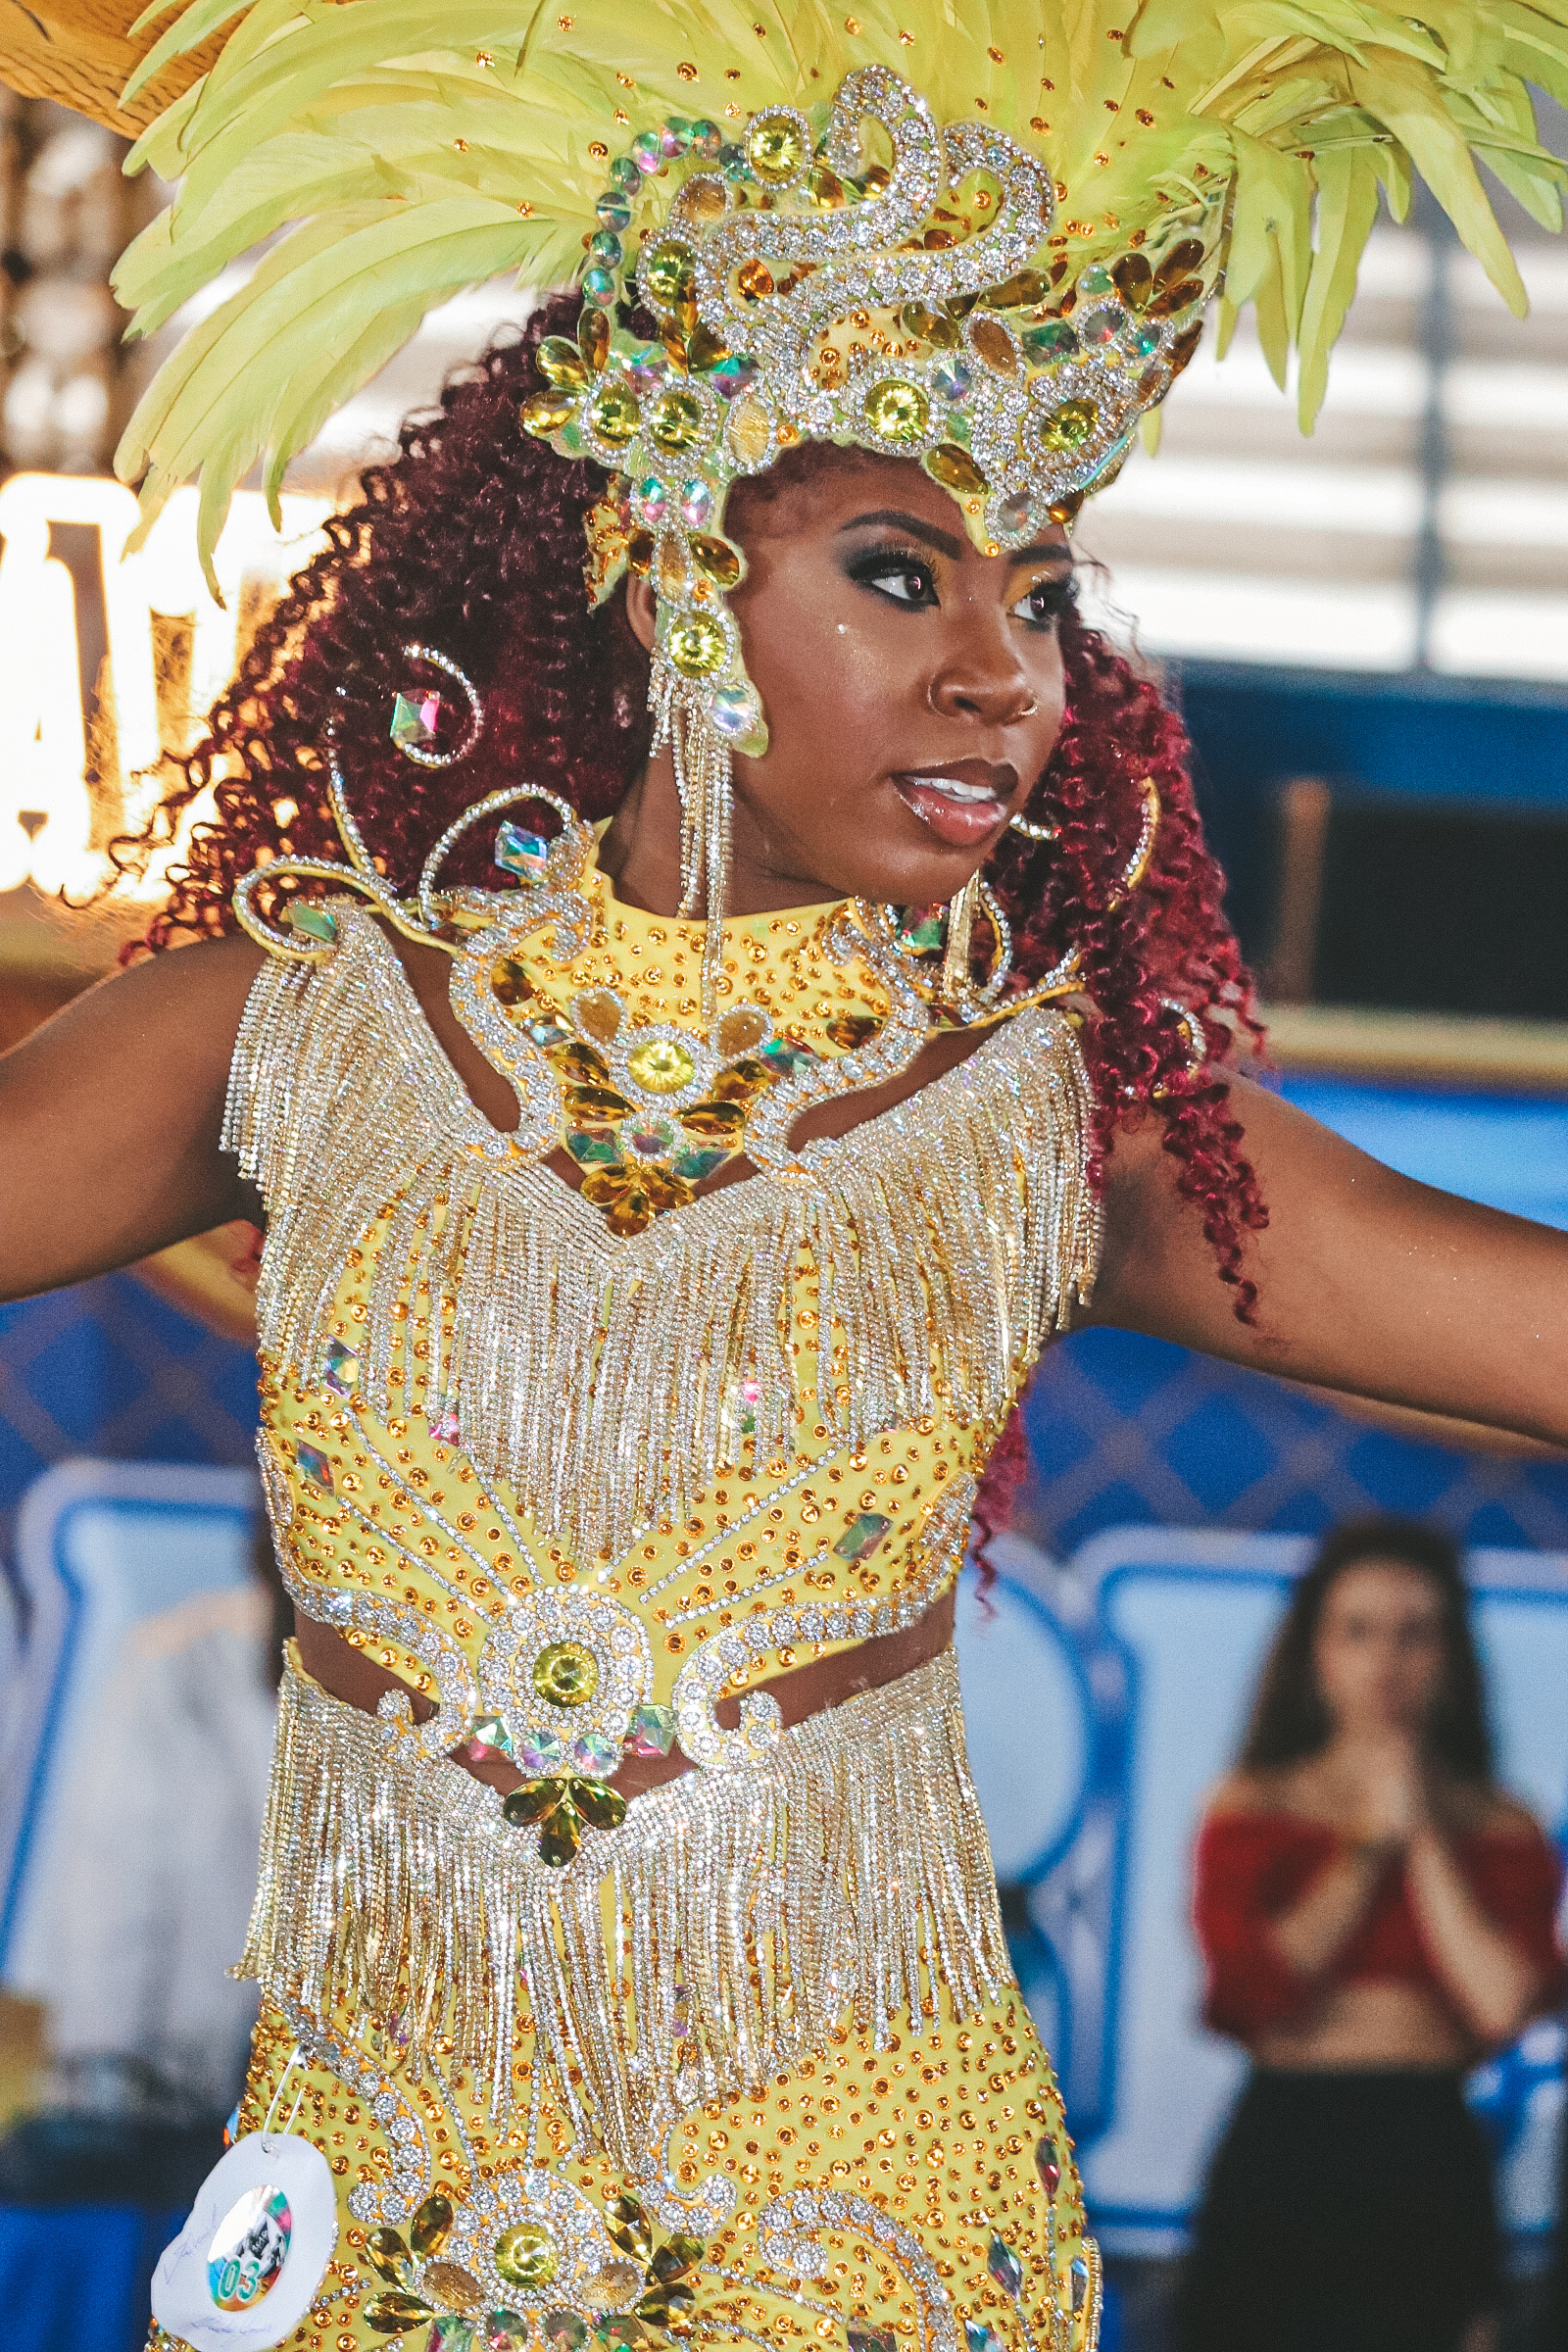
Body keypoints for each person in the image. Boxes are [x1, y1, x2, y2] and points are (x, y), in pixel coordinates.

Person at [1, 4, 1566, 2348]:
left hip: (853, 2253)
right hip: (364, 2241)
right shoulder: (303, 1021)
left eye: (1039, 594)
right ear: (665, 574)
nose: (1005, 675)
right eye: (899, 574)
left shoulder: (1055, 1116)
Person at [1180, 1519, 1565, 2352]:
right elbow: (1251, 1995)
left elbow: (1504, 2005)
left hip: (1429, 2149)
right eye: (1357, 1632)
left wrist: (1421, 1833)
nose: (1386, 1662)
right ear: (1315, 1652)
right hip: (1286, 2141)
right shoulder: (1252, 1806)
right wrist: (1364, 1849)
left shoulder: (1502, 1826)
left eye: (1415, 1634)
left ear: (1453, 1657)